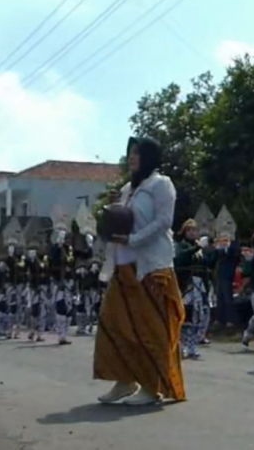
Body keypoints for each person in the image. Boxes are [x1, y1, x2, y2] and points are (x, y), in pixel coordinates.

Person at [93, 137, 187, 406]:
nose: (131, 157)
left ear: (149, 157)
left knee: (151, 330)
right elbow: (119, 223)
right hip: (123, 268)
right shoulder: (127, 189)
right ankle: (124, 381)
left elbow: (164, 221)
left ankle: (151, 386)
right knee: (115, 325)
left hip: (151, 268)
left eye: (136, 153)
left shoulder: (161, 184)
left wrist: (132, 240)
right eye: (130, 153)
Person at [174, 219, 208, 359]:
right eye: (189, 230)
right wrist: (197, 247)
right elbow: (180, 258)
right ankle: (182, 345)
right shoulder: (181, 245)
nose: (192, 232)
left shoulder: (199, 249)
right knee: (186, 315)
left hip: (200, 284)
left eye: (194, 230)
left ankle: (193, 345)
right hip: (187, 283)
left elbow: (206, 266)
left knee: (199, 316)